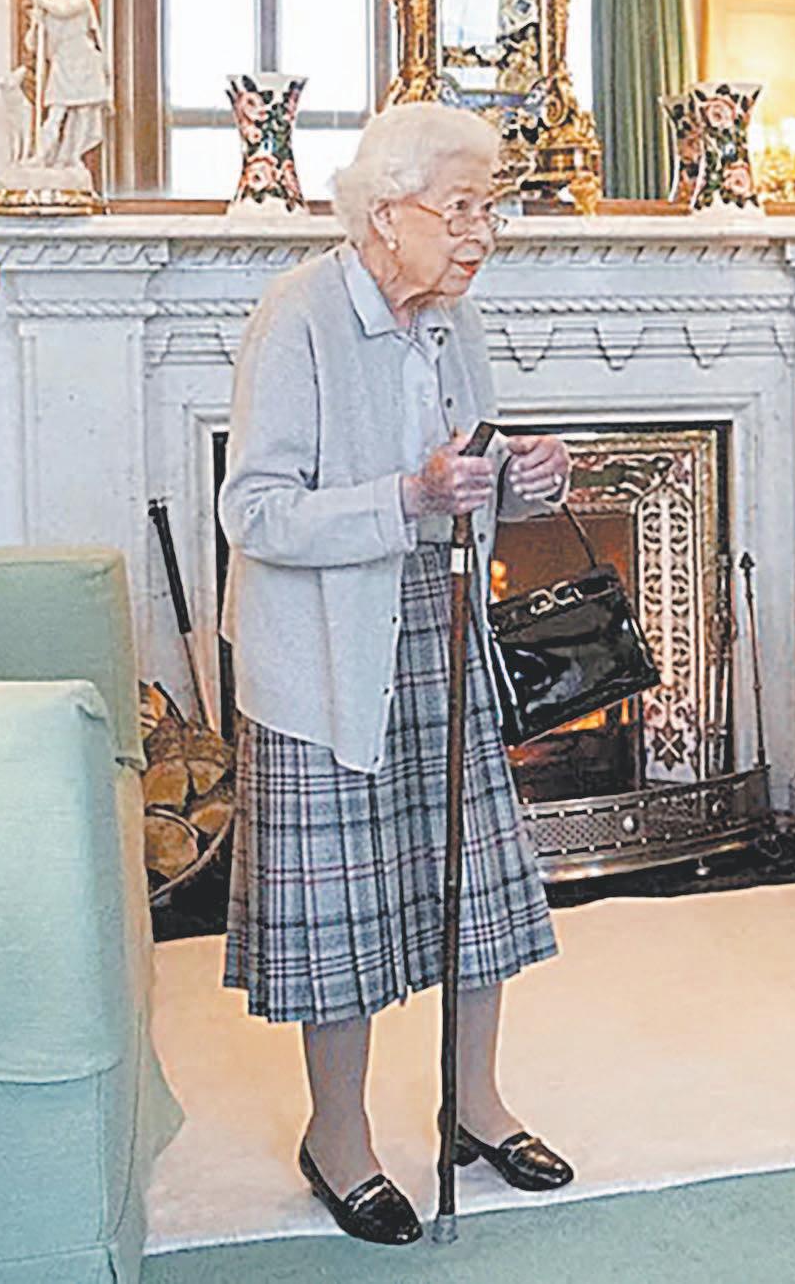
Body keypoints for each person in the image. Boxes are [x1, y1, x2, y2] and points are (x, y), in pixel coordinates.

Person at [219, 101, 576, 1247]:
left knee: (473, 881)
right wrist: (408, 497)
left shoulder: (452, 320)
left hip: (438, 621)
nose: (481, 234)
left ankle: (474, 1107)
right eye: (460, 209)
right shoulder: (298, 316)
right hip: (324, 649)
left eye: (491, 209)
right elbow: (253, 510)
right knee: (340, 911)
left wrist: (519, 479)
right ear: (385, 214)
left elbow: (460, 471)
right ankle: (338, 1137)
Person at [30, 0, 110, 173]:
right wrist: (36, 23)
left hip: (84, 60)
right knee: (55, 113)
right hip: (62, 62)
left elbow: (63, 11)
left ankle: (72, 157)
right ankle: (41, 155)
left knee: (84, 112)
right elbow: (32, 44)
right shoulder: (47, 7)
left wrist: (42, 1)